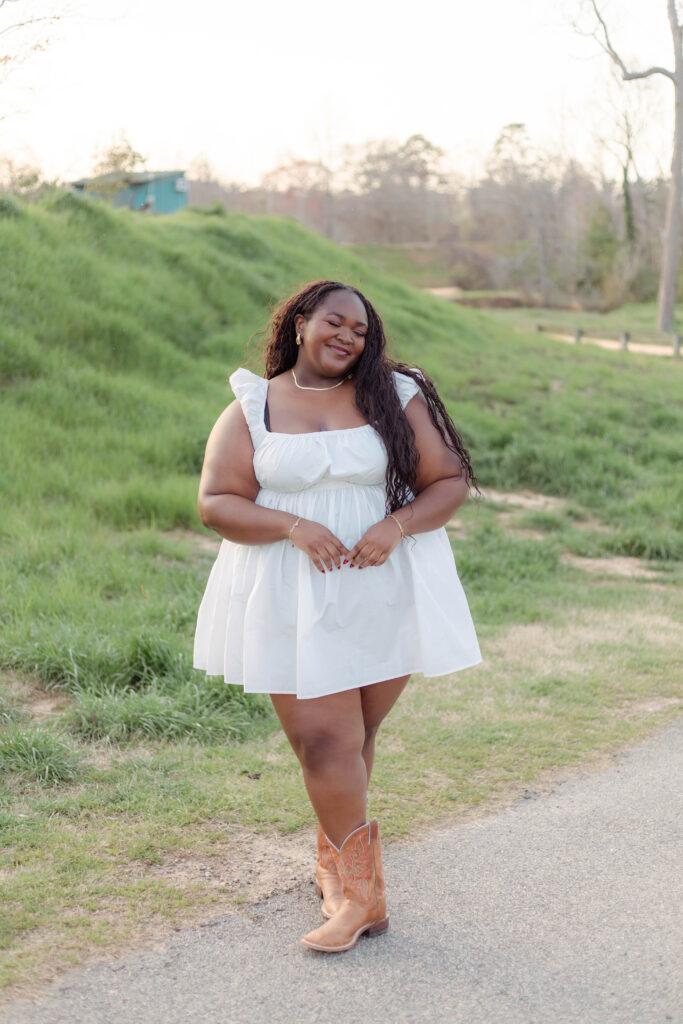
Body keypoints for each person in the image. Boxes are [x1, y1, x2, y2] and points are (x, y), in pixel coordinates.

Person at [193, 280, 481, 953]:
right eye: (334, 321)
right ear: (299, 324)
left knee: (353, 739)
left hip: (385, 584)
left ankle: (335, 871)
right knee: (324, 742)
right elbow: (215, 501)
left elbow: (447, 481)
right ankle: (359, 899)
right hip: (290, 594)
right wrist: (291, 524)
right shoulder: (252, 406)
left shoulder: (395, 394)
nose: (348, 336)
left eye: (360, 329)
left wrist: (397, 526)